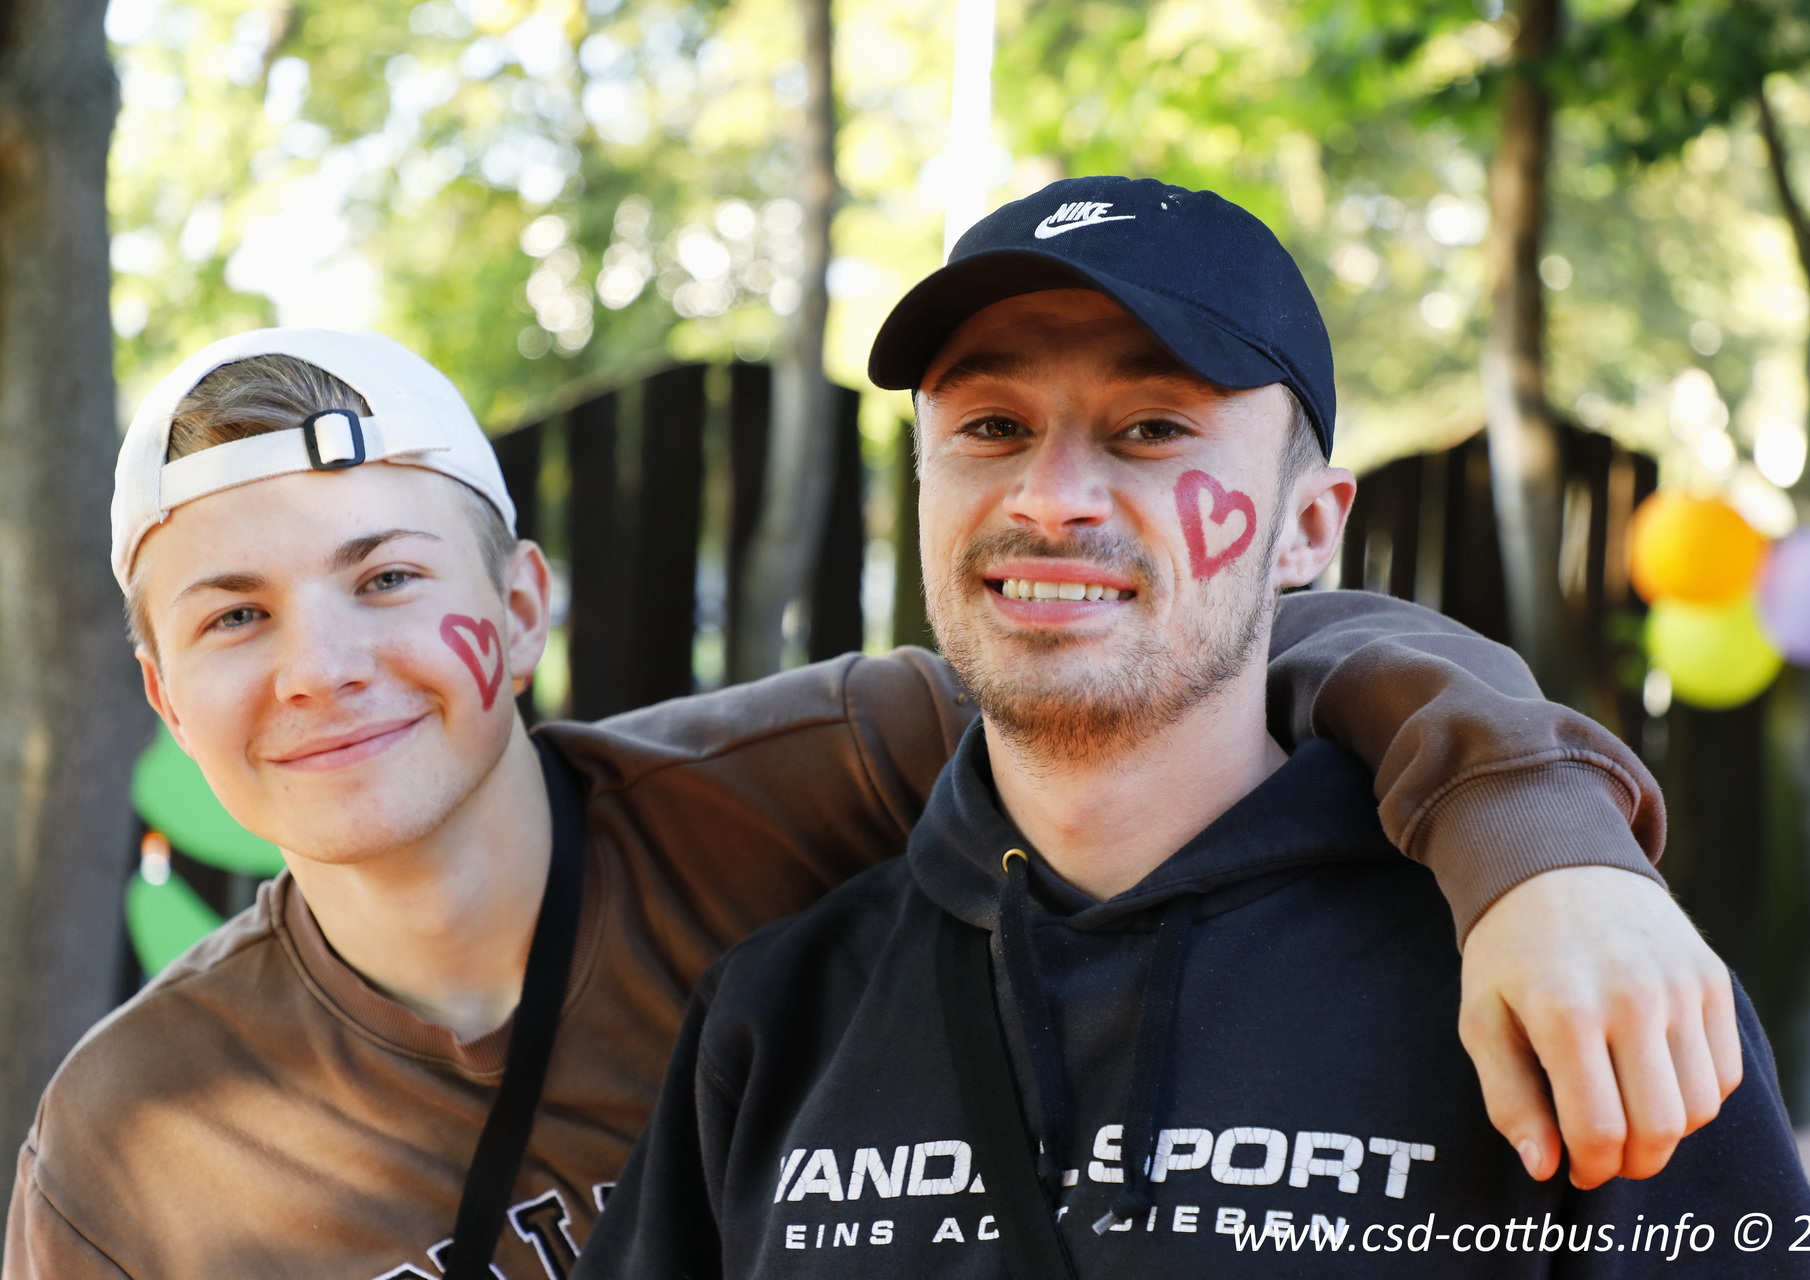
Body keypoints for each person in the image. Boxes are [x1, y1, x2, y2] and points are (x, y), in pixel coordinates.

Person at [3, 307, 1715, 1280]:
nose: (321, 668)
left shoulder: (818, 778)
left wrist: (1538, 849)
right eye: (234, 617)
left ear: (523, 611)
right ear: (161, 690)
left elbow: (1243, 646)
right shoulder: (133, 1142)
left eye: (387, 579)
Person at [575, 177, 1810, 1279]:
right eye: (992, 426)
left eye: (1152, 428)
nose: (1051, 497)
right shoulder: (773, 1019)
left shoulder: (1561, 980)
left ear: (1307, 528)